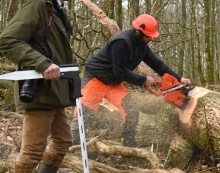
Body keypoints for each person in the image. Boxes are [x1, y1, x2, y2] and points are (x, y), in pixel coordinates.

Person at [0, 0, 83, 173]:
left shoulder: (55, 8)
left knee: (63, 141)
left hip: (54, 91)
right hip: (39, 91)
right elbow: (7, 40)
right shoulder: (38, 5)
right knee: (32, 152)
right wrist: (43, 64)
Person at [80, 14, 191, 146]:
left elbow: (157, 64)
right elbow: (120, 71)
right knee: (84, 116)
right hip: (96, 79)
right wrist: (143, 79)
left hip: (113, 83)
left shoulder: (142, 45)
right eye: (148, 36)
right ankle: (72, 148)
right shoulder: (121, 42)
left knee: (131, 108)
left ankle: (129, 145)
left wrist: (179, 78)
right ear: (139, 31)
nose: (150, 38)